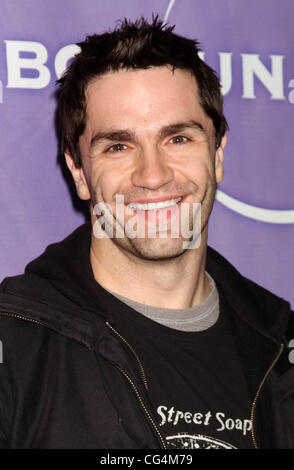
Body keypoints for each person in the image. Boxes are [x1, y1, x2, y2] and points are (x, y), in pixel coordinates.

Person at [0, 16, 293, 450]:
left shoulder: (280, 347)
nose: (152, 176)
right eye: (118, 146)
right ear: (79, 172)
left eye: (177, 138)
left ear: (217, 155)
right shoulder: (14, 340)